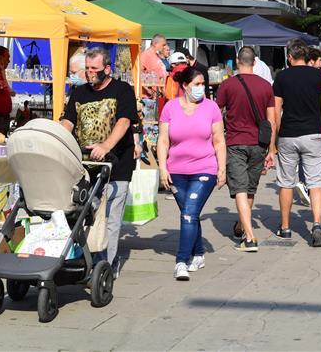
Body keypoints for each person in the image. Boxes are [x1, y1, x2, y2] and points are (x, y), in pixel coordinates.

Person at [61, 46, 139, 279]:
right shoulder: (79, 92)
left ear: (107, 68)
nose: (90, 73)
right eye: (87, 68)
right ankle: (83, 258)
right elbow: (68, 121)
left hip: (117, 163)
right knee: (84, 213)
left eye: (94, 68)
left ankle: (106, 265)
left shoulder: (122, 90)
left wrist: (106, 146)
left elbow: (124, 121)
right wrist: (58, 140)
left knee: (111, 217)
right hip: (86, 165)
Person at [157, 66, 226, 281]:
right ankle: (198, 253)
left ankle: (181, 261)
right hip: (176, 171)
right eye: (197, 84)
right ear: (185, 86)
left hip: (204, 169)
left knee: (188, 213)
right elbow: (163, 140)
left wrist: (222, 168)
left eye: (203, 84)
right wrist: (162, 168)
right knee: (191, 213)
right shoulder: (170, 108)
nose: (201, 88)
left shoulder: (211, 108)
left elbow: (219, 140)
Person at [216, 47, 276, 253]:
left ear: (237, 61)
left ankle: (250, 238)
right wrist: (272, 149)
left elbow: (216, 114)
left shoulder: (227, 85)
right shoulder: (266, 86)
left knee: (240, 189)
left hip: (235, 143)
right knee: (250, 189)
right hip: (259, 144)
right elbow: (272, 121)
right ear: (255, 62)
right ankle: (242, 226)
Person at [272, 39, 321, 246]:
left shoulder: (281, 77)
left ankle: (285, 227)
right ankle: (317, 224)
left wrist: (277, 136)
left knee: (286, 182)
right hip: (314, 133)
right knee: (315, 182)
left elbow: (276, 111)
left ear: (290, 57)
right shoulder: (320, 76)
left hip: (289, 133)